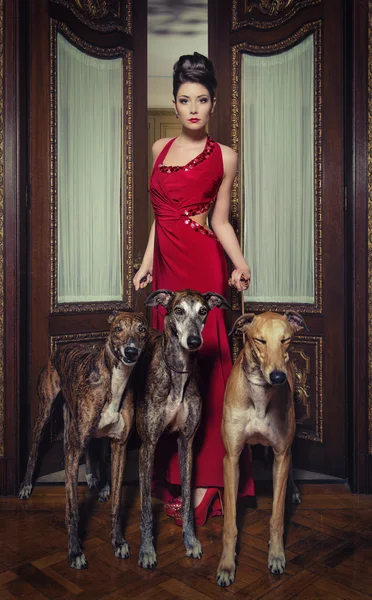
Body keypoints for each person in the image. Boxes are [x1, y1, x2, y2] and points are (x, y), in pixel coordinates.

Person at [133, 52, 254, 526]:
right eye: (185, 100)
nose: (194, 109)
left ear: (214, 102)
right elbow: (158, 220)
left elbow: (220, 220)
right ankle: (172, 473)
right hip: (166, 267)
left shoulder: (225, 156)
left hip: (203, 264)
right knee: (167, 372)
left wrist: (240, 263)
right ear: (175, 102)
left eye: (202, 99)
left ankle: (206, 479)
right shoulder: (161, 147)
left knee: (208, 367)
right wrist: (146, 264)